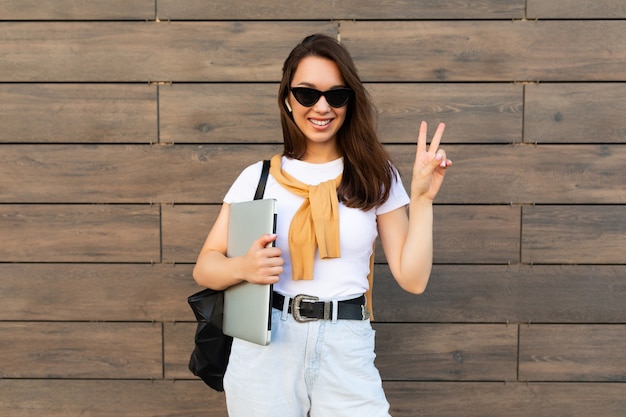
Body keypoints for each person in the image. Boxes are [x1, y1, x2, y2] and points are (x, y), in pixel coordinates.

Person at [193, 33, 451, 417]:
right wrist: (242, 267)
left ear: (350, 101)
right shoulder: (258, 178)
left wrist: (423, 200)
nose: (322, 107)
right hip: (267, 345)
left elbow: (413, 280)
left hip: (345, 342)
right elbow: (205, 267)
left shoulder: (376, 176)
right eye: (307, 93)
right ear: (287, 98)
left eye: (336, 95)